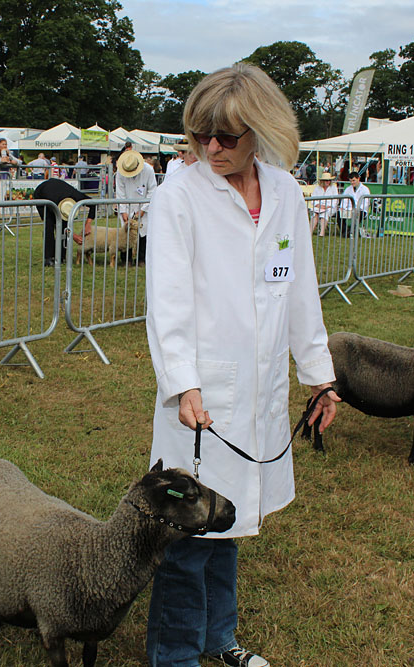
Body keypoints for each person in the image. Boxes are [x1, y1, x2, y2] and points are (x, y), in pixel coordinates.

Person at [144, 62, 339, 667]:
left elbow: (299, 288)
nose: (212, 147)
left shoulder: (282, 191)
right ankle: (174, 655)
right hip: (203, 394)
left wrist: (320, 374)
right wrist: (183, 384)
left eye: (227, 136)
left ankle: (219, 640)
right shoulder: (178, 193)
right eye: (203, 134)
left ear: (260, 130)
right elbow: (167, 298)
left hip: (257, 390)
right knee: (188, 529)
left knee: (231, 522)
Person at [32, 178, 95, 266]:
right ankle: (49, 258)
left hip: (59, 190)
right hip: (42, 194)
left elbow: (93, 204)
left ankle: (61, 256)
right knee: (49, 225)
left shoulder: (76, 196)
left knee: (63, 226)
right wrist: (73, 236)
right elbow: (61, 224)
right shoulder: (52, 201)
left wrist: (88, 224)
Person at [115, 149, 157, 265]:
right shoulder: (120, 172)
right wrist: (123, 211)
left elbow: (152, 190)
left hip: (144, 206)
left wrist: (143, 209)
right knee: (126, 233)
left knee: (144, 232)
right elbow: (120, 192)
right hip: (127, 206)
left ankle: (142, 259)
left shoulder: (148, 170)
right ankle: (126, 259)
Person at [340, 172, 371, 237]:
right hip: (349, 209)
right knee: (339, 214)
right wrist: (342, 207)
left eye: (354, 180)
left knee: (358, 214)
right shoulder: (348, 189)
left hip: (361, 210)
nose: (352, 183)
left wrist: (358, 209)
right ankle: (345, 231)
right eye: (351, 181)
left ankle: (352, 231)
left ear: (358, 179)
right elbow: (344, 200)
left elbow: (366, 202)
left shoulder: (365, 189)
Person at [308, 172, 338, 236]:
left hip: (330, 207)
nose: (328, 182)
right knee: (315, 214)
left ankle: (322, 232)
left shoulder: (334, 188)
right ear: (322, 181)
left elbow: (335, 200)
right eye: (326, 180)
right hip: (318, 206)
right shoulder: (317, 188)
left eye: (329, 180)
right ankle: (309, 232)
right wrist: (318, 205)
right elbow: (313, 199)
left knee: (324, 213)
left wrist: (327, 206)